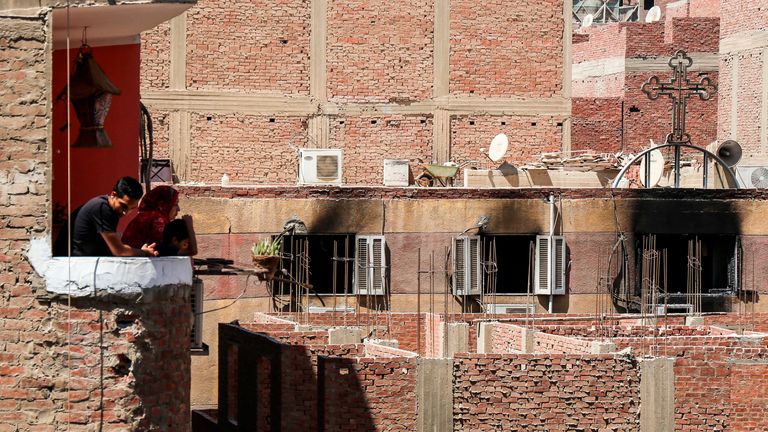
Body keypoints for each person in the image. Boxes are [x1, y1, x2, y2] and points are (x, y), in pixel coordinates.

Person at [71, 176, 158, 257]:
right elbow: (119, 251)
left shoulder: (108, 209)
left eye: (132, 208)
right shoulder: (102, 208)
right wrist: (143, 252)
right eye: (123, 206)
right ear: (113, 194)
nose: (125, 213)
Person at [122, 185, 198, 256]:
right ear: (164, 204)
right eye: (175, 204)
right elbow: (191, 251)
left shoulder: (149, 216)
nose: (178, 209)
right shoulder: (157, 219)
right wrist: (189, 225)